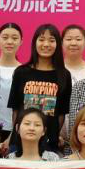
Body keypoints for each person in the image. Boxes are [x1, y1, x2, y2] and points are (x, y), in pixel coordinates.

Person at [6, 23, 71, 155]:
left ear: (57, 44)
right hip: (21, 141)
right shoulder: (21, 72)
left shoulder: (64, 75)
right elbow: (16, 110)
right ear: (34, 43)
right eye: (41, 39)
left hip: (49, 143)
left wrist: (54, 135)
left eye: (51, 40)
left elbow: (61, 114)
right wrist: (14, 135)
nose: (46, 44)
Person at [0, 22, 23, 136]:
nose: (10, 42)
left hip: (17, 131)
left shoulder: (26, 71)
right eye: (5, 37)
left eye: (15, 38)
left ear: (21, 42)